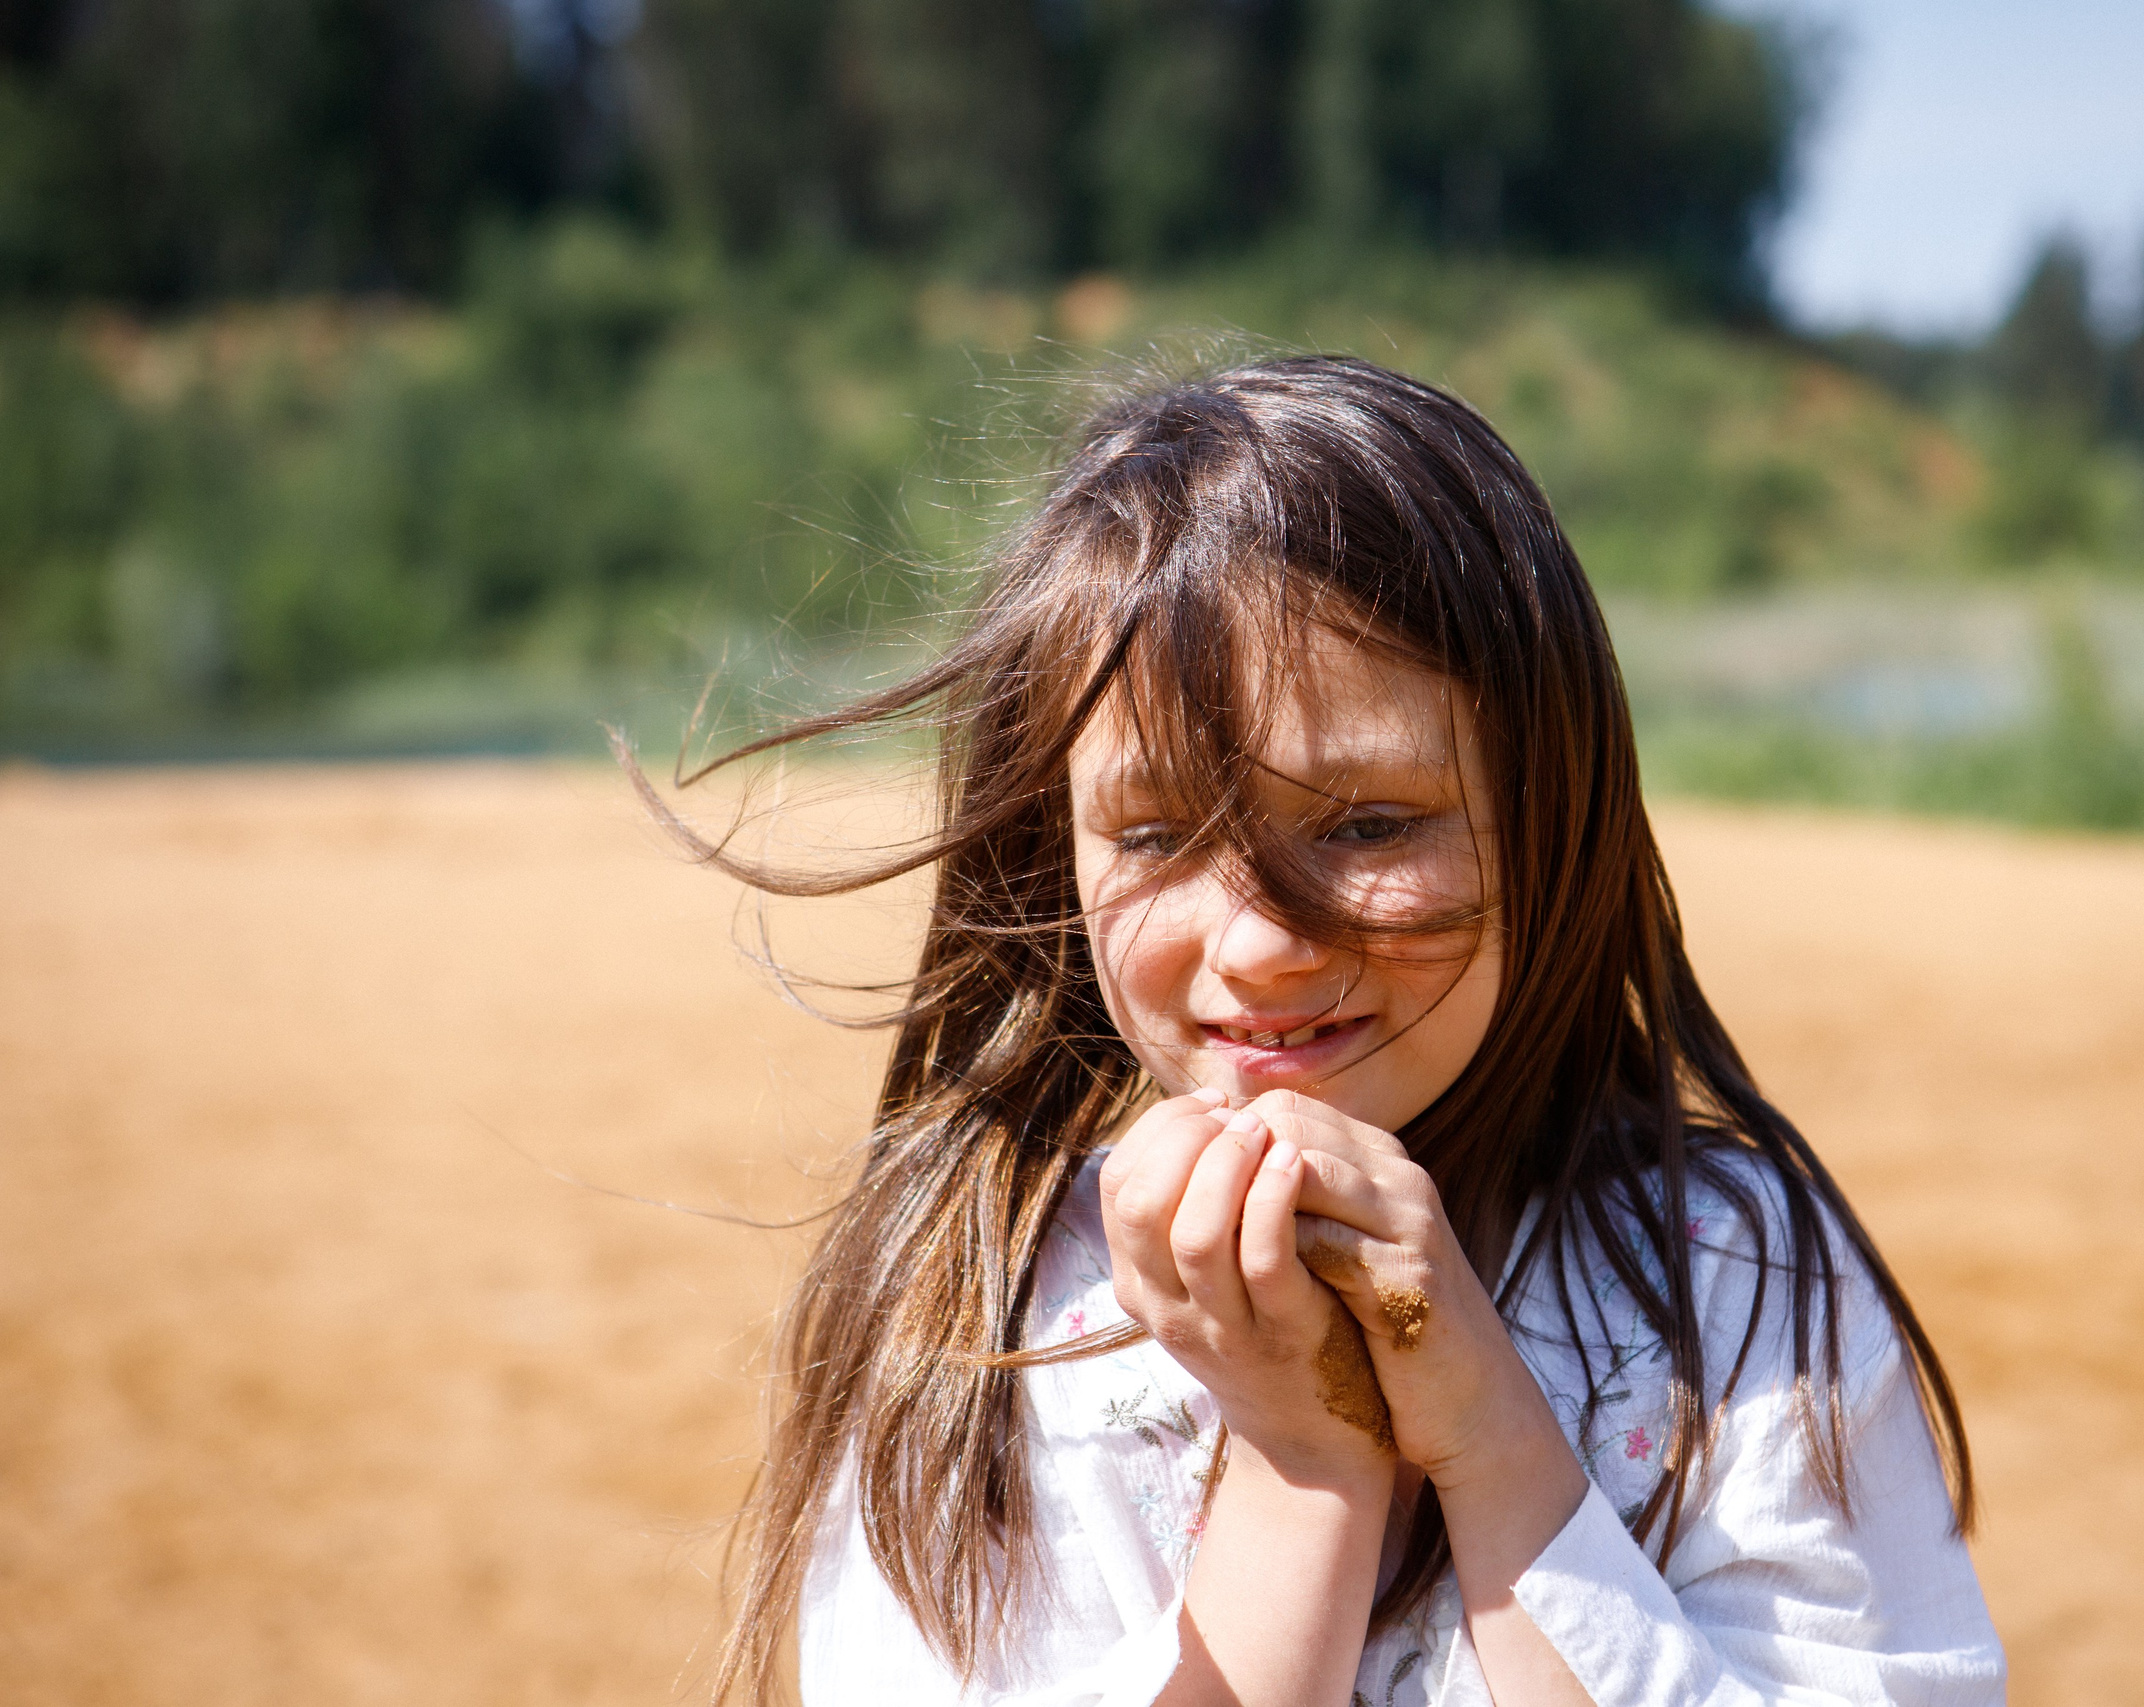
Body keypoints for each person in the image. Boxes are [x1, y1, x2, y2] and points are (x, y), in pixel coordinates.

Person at [632, 356, 2005, 1706]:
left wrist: (1486, 1425)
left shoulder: (1730, 1279)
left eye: (1368, 825)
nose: (1258, 946)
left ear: (1553, 816)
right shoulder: (987, 1313)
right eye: (1154, 836)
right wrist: (1309, 1459)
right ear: (1057, 856)